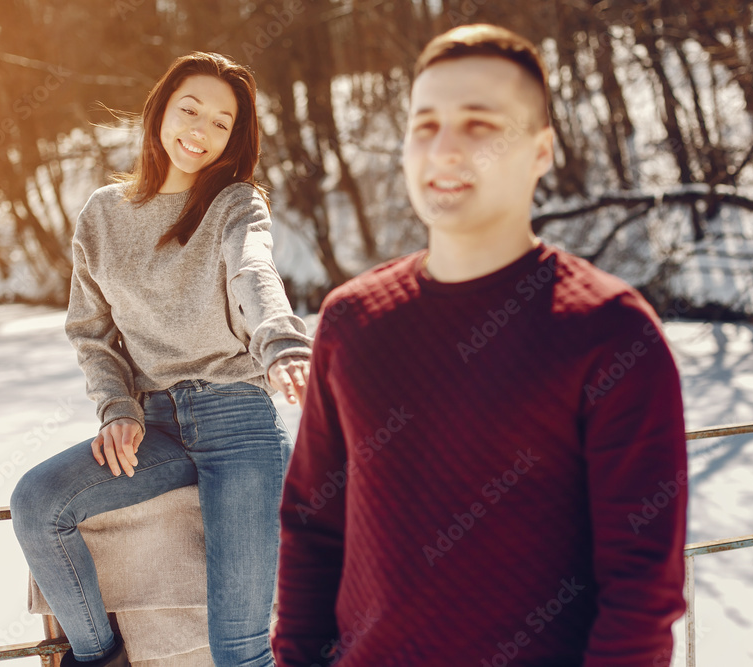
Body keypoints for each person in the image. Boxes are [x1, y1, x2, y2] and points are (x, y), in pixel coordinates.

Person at [273, 24, 687, 666]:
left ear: (542, 151)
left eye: (480, 125)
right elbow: (312, 527)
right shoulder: (350, 321)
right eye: (425, 125)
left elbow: (640, 592)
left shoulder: (610, 334)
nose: (444, 149)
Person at [11, 52, 311, 667]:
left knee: (240, 649)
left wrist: (282, 344)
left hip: (240, 426)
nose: (200, 132)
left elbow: (254, 273)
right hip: (155, 427)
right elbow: (91, 332)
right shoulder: (102, 214)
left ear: (234, 139)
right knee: (39, 504)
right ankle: (102, 657)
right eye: (190, 110)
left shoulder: (236, 204)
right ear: (159, 112)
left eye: (222, 123)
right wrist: (117, 407)